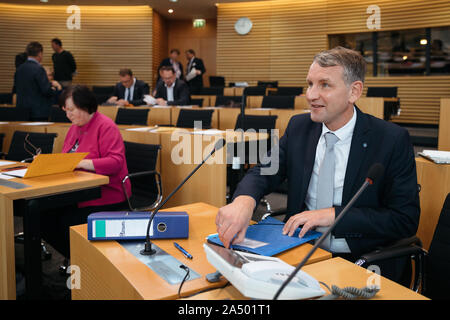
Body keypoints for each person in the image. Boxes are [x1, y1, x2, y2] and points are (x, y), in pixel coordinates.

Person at [215, 46, 420, 283]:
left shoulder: (390, 140)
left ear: (354, 91)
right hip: (296, 251)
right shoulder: (299, 127)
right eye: (309, 84)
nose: (311, 95)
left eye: (324, 85)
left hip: (360, 260)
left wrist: (335, 215)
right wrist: (244, 200)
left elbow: (404, 219)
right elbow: (265, 170)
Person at [40, 85, 131, 258]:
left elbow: (115, 162)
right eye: (65, 110)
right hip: (79, 191)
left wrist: (82, 163)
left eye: (72, 110)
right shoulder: (75, 127)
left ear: (86, 106)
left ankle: (86, 262)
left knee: (65, 222)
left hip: (105, 194)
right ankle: (76, 257)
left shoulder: (106, 126)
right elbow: (67, 157)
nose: (68, 115)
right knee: (41, 216)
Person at [13, 41, 60, 121]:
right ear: (40, 53)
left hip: (22, 110)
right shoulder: (38, 69)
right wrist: (55, 89)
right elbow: (46, 90)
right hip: (38, 112)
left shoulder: (19, 69)